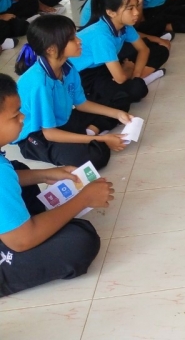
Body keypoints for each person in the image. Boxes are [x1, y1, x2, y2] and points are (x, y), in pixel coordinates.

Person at [0, 73, 112, 297]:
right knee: (79, 241)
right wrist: (84, 199)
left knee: (18, 168)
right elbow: (22, 241)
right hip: (15, 242)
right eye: (15, 115)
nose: (23, 117)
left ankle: (29, 222)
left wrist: (45, 174)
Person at [14, 16, 132, 170]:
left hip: (61, 120)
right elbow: (50, 133)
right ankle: (92, 135)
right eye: (71, 39)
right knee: (97, 156)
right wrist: (102, 139)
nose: (79, 41)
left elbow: (81, 103)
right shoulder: (40, 83)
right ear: (51, 49)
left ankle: (90, 131)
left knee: (120, 99)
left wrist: (117, 114)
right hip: (37, 135)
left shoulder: (67, 66)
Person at [74, 0, 164, 106]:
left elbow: (144, 50)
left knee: (160, 51)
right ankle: (137, 80)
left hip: (103, 65)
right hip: (84, 75)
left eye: (136, 6)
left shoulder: (124, 25)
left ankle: (138, 79)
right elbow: (120, 79)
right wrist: (127, 69)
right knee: (135, 91)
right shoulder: (101, 35)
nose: (136, 12)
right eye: (130, 8)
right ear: (111, 12)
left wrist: (136, 75)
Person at [79, 0, 171, 68]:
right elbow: (125, 29)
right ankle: (130, 71)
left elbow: (135, 23)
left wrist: (139, 3)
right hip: (102, 46)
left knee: (156, 25)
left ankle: (135, 70)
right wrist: (156, 40)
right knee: (153, 49)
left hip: (120, 34)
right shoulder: (108, 0)